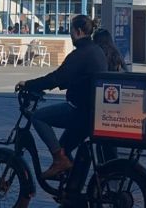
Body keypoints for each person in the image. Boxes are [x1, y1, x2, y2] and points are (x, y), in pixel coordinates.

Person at [16, 14, 107, 179]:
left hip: (79, 109)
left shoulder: (80, 54)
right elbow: (74, 77)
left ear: (78, 31)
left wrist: (28, 84)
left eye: (71, 31)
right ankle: (72, 192)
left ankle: (58, 160)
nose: (70, 35)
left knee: (38, 117)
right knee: (64, 148)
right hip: (92, 112)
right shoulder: (95, 50)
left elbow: (56, 78)